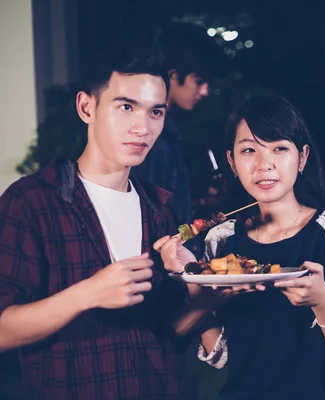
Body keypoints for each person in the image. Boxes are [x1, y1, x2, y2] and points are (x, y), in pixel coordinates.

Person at [154, 92, 325, 399]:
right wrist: (189, 273)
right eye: (249, 150)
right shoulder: (221, 240)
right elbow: (221, 356)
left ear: (301, 157)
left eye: (279, 149)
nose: (264, 164)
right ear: (232, 162)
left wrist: (321, 299)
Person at [0, 42, 189, 399]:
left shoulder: (159, 211)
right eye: (126, 107)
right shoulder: (31, 202)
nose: (142, 127)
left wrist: (208, 293)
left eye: (156, 112)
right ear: (87, 107)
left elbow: (168, 332)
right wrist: (87, 294)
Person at [131, 21, 221, 228]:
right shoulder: (154, 136)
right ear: (171, 75)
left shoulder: (167, 132)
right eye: (199, 81)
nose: (205, 91)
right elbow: (152, 217)